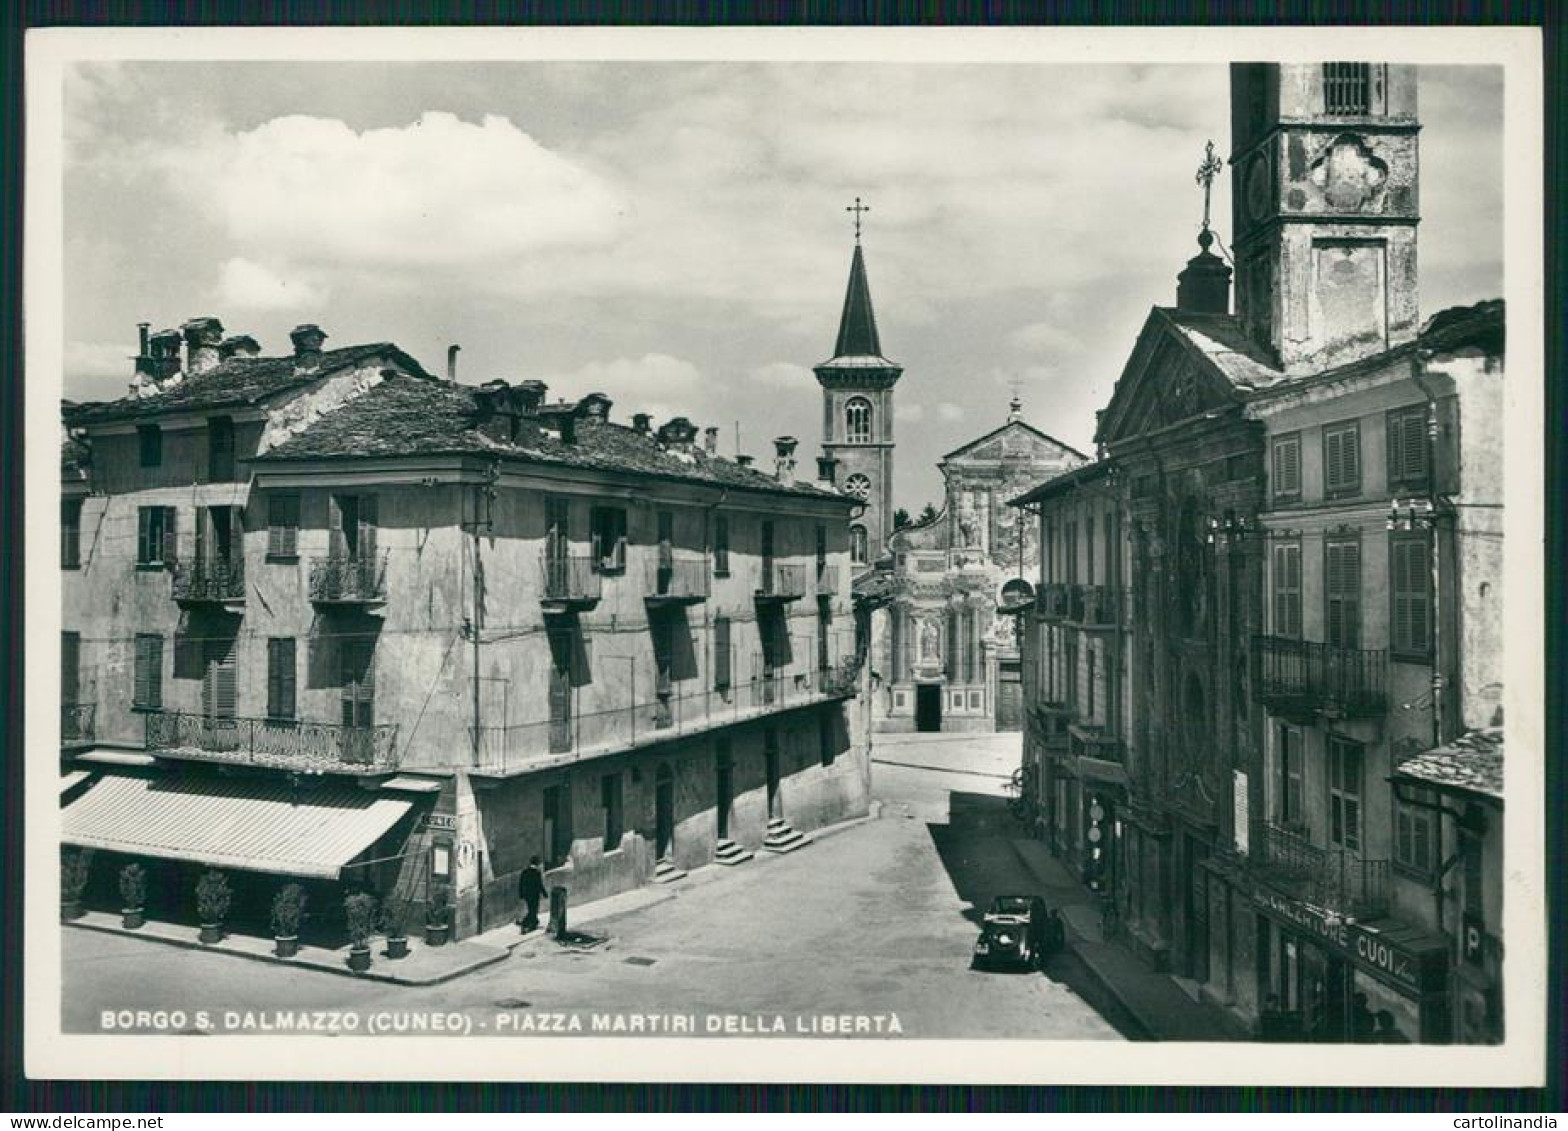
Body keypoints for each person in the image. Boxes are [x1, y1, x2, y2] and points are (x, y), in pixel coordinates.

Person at [517, 855, 545, 933]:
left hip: (527, 895)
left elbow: (521, 883)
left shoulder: (525, 872)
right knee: (533, 910)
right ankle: (525, 924)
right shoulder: (537, 873)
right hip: (535, 895)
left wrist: (521, 894)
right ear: (537, 864)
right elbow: (539, 884)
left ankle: (534, 923)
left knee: (531, 909)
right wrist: (544, 893)